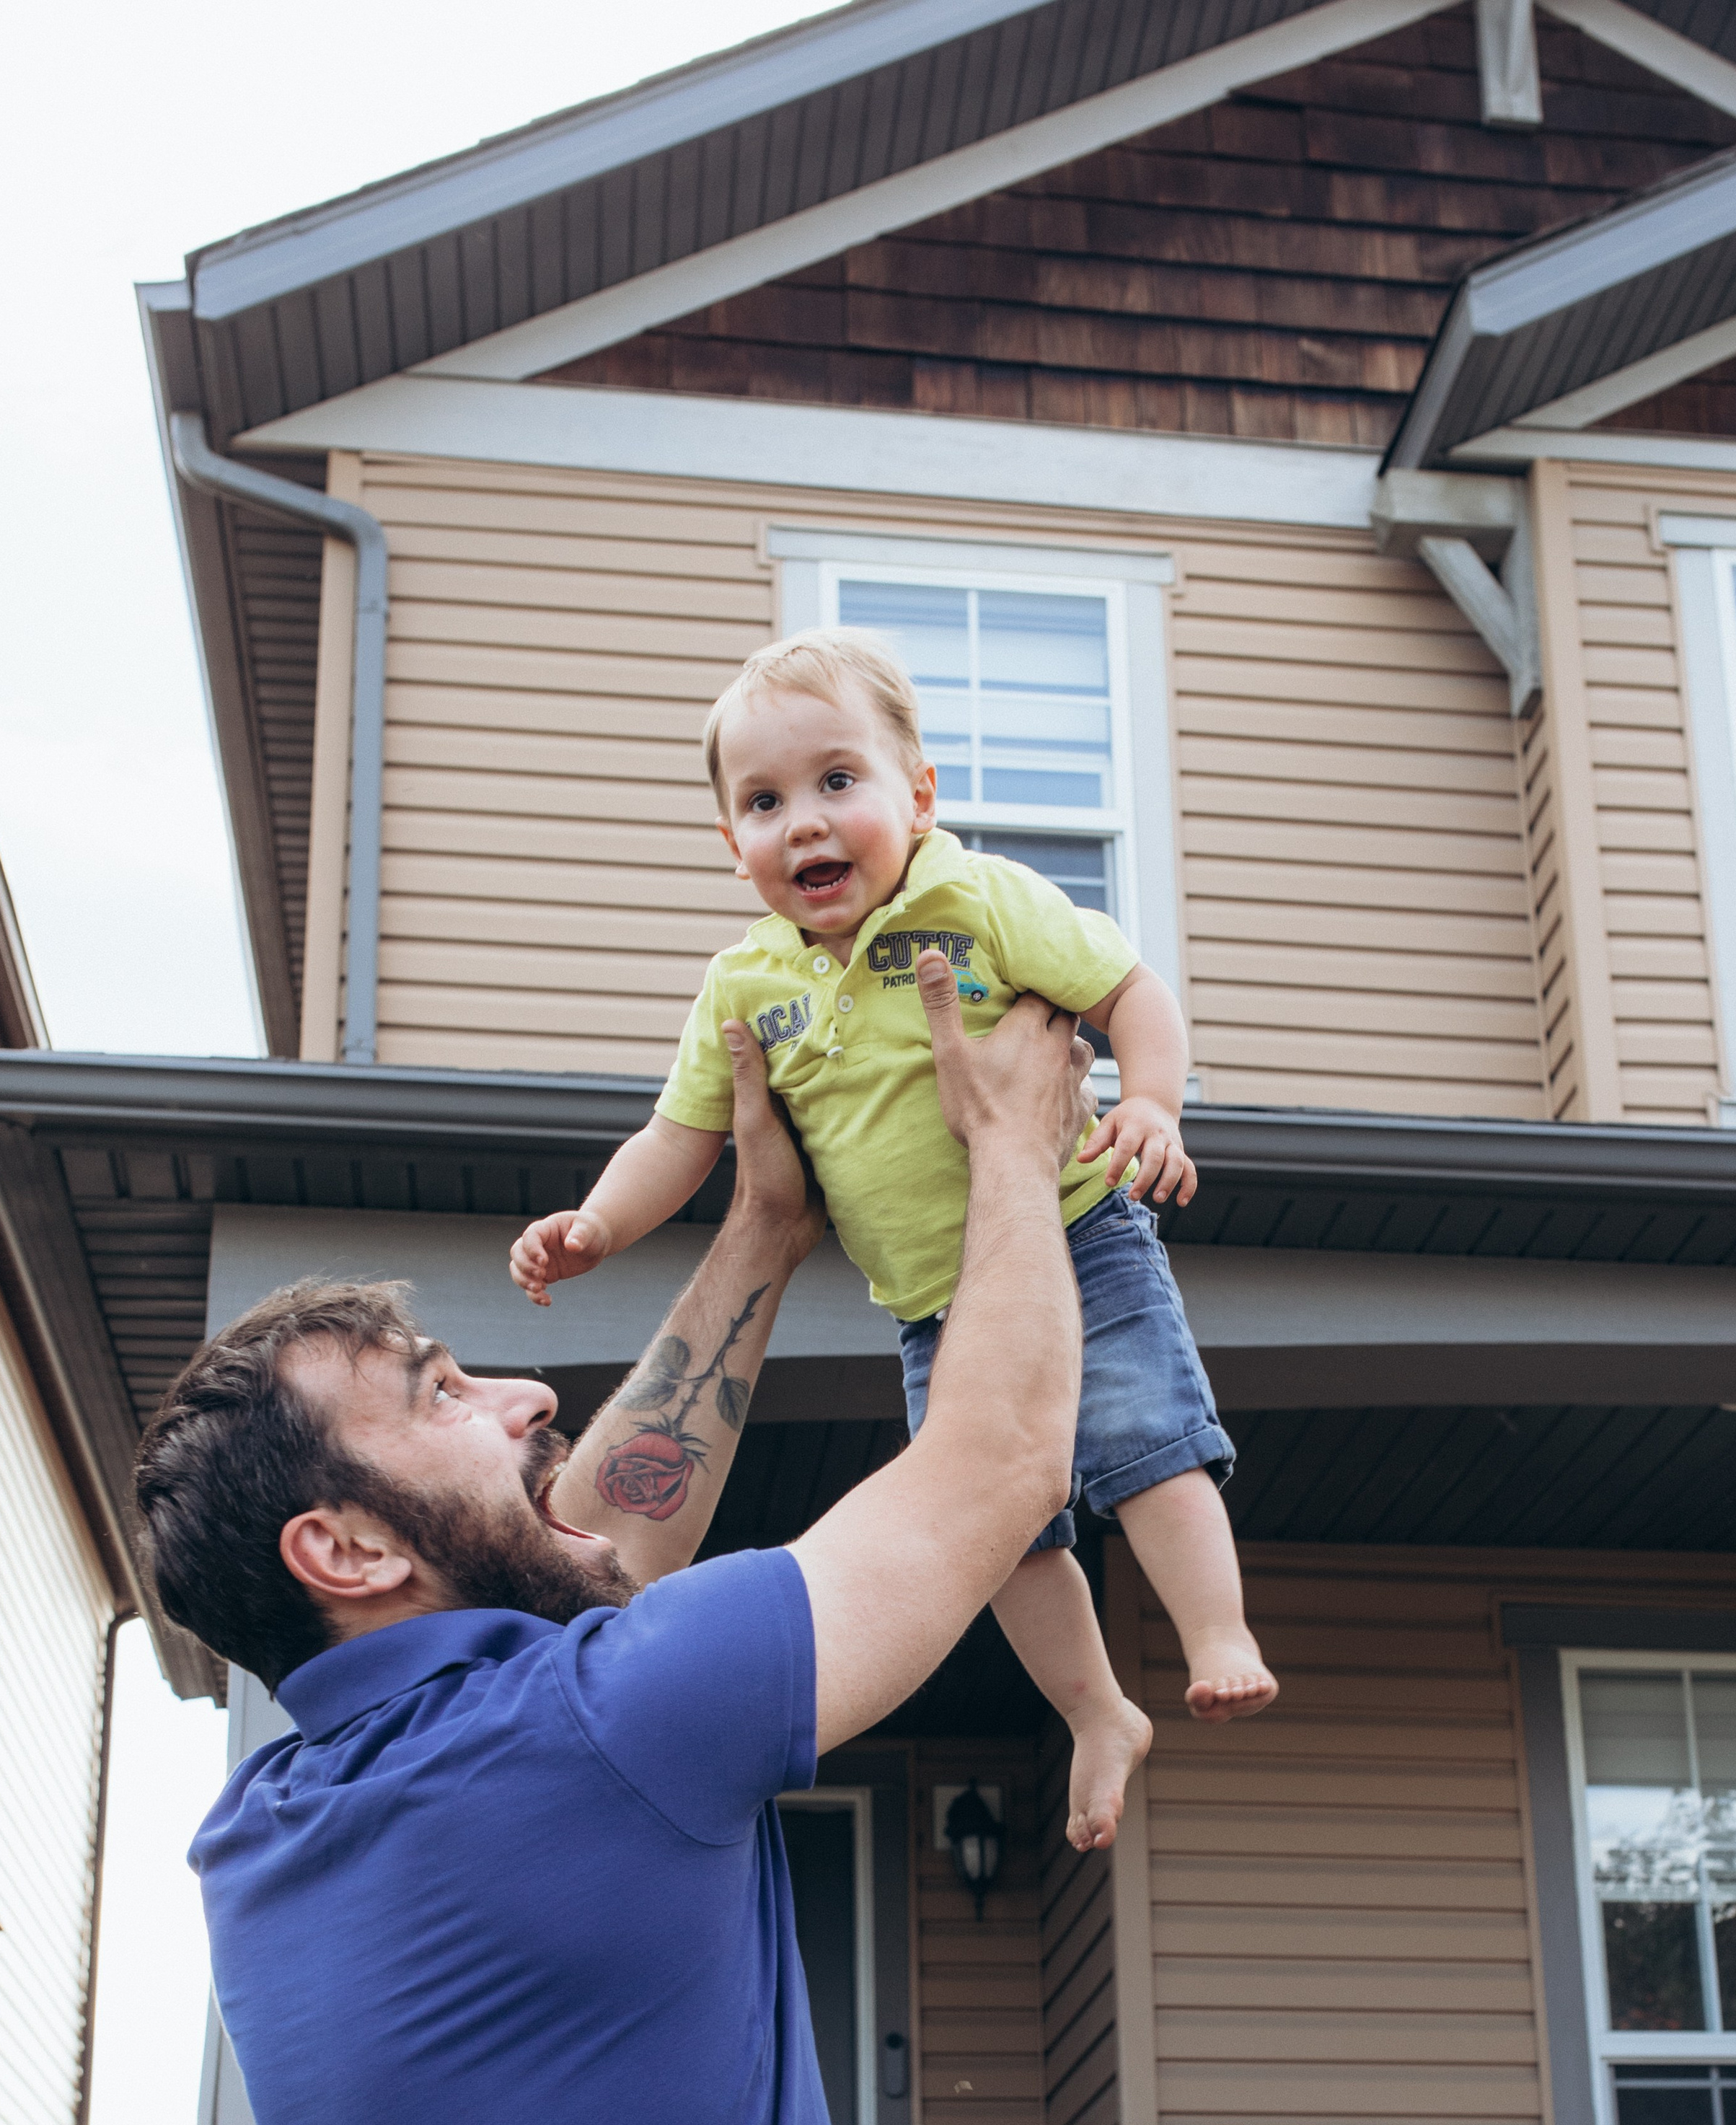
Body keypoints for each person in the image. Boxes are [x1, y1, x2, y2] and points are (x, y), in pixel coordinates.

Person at [136, 962, 1094, 2125]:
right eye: (441, 1392)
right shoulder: (589, 1728)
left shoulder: (272, 1824)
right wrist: (1005, 1139)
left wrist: (762, 1231)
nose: (524, 1395)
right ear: (350, 1551)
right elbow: (1000, 1457)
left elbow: (590, 1548)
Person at [510, 628, 1276, 1854]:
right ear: (731, 843)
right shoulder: (743, 987)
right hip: (934, 1300)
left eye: (838, 782)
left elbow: (1132, 990)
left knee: (1150, 1441)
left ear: (918, 796)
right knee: (996, 1526)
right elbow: (680, 1135)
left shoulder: (977, 901)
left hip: (1080, 1233)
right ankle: (1095, 1711)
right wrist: (598, 1224)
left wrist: (1152, 1103)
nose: (805, 823)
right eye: (765, 802)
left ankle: (1217, 1634)